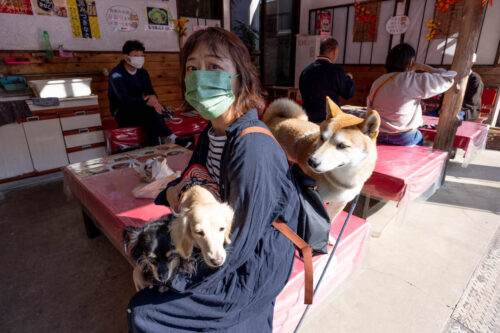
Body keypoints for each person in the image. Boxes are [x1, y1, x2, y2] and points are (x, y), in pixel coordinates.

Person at [127, 27, 301, 332]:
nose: (199, 76)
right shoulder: (209, 136)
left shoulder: (253, 148)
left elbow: (239, 245)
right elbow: (184, 190)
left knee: (143, 313)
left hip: (253, 265)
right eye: (192, 68)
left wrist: (168, 278)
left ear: (240, 78)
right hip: (220, 247)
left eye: (214, 67)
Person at [367, 43, 456, 146]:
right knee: (420, 136)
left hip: (378, 134)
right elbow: (448, 79)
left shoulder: (378, 81)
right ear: (411, 62)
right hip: (404, 137)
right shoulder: (412, 79)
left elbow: (370, 106)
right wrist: (423, 67)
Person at [108, 40, 177, 146]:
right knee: (150, 112)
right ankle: (171, 137)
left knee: (151, 113)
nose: (139, 59)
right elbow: (124, 99)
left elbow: (150, 91)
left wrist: (154, 100)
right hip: (122, 112)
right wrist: (147, 102)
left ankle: (156, 148)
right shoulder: (116, 74)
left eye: (141, 56)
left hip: (140, 109)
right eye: (136, 56)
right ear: (126, 58)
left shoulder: (143, 73)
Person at [299, 38, 355, 123]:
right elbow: (348, 93)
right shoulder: (337, 71)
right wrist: (348, 79)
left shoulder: (305, 71)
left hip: (307, 120)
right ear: (335, 51)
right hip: (329, 121)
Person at [426, 53, 484, 121]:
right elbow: (444, 95)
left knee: (452, 119)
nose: (462, 63)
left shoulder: (476, 79)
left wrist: (452, 109)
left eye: (465, 61)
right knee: (428, 116)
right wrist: (443, 109)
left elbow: (472, 102)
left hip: (465, 111)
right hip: (447, 109)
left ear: (472, 63)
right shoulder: (452, 75)